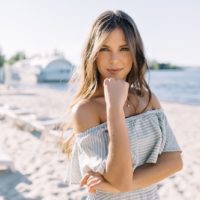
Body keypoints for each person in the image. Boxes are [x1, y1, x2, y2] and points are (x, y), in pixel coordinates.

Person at [63, 10, 183, 200]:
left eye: (124, 48)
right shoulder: (85, 110)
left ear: (135, 52)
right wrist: (114, 109)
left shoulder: (147, 98)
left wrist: (119, 187)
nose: (114, 59)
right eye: (104, 49)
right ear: (92, 54)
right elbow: (120, 178)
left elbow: (174, 161)